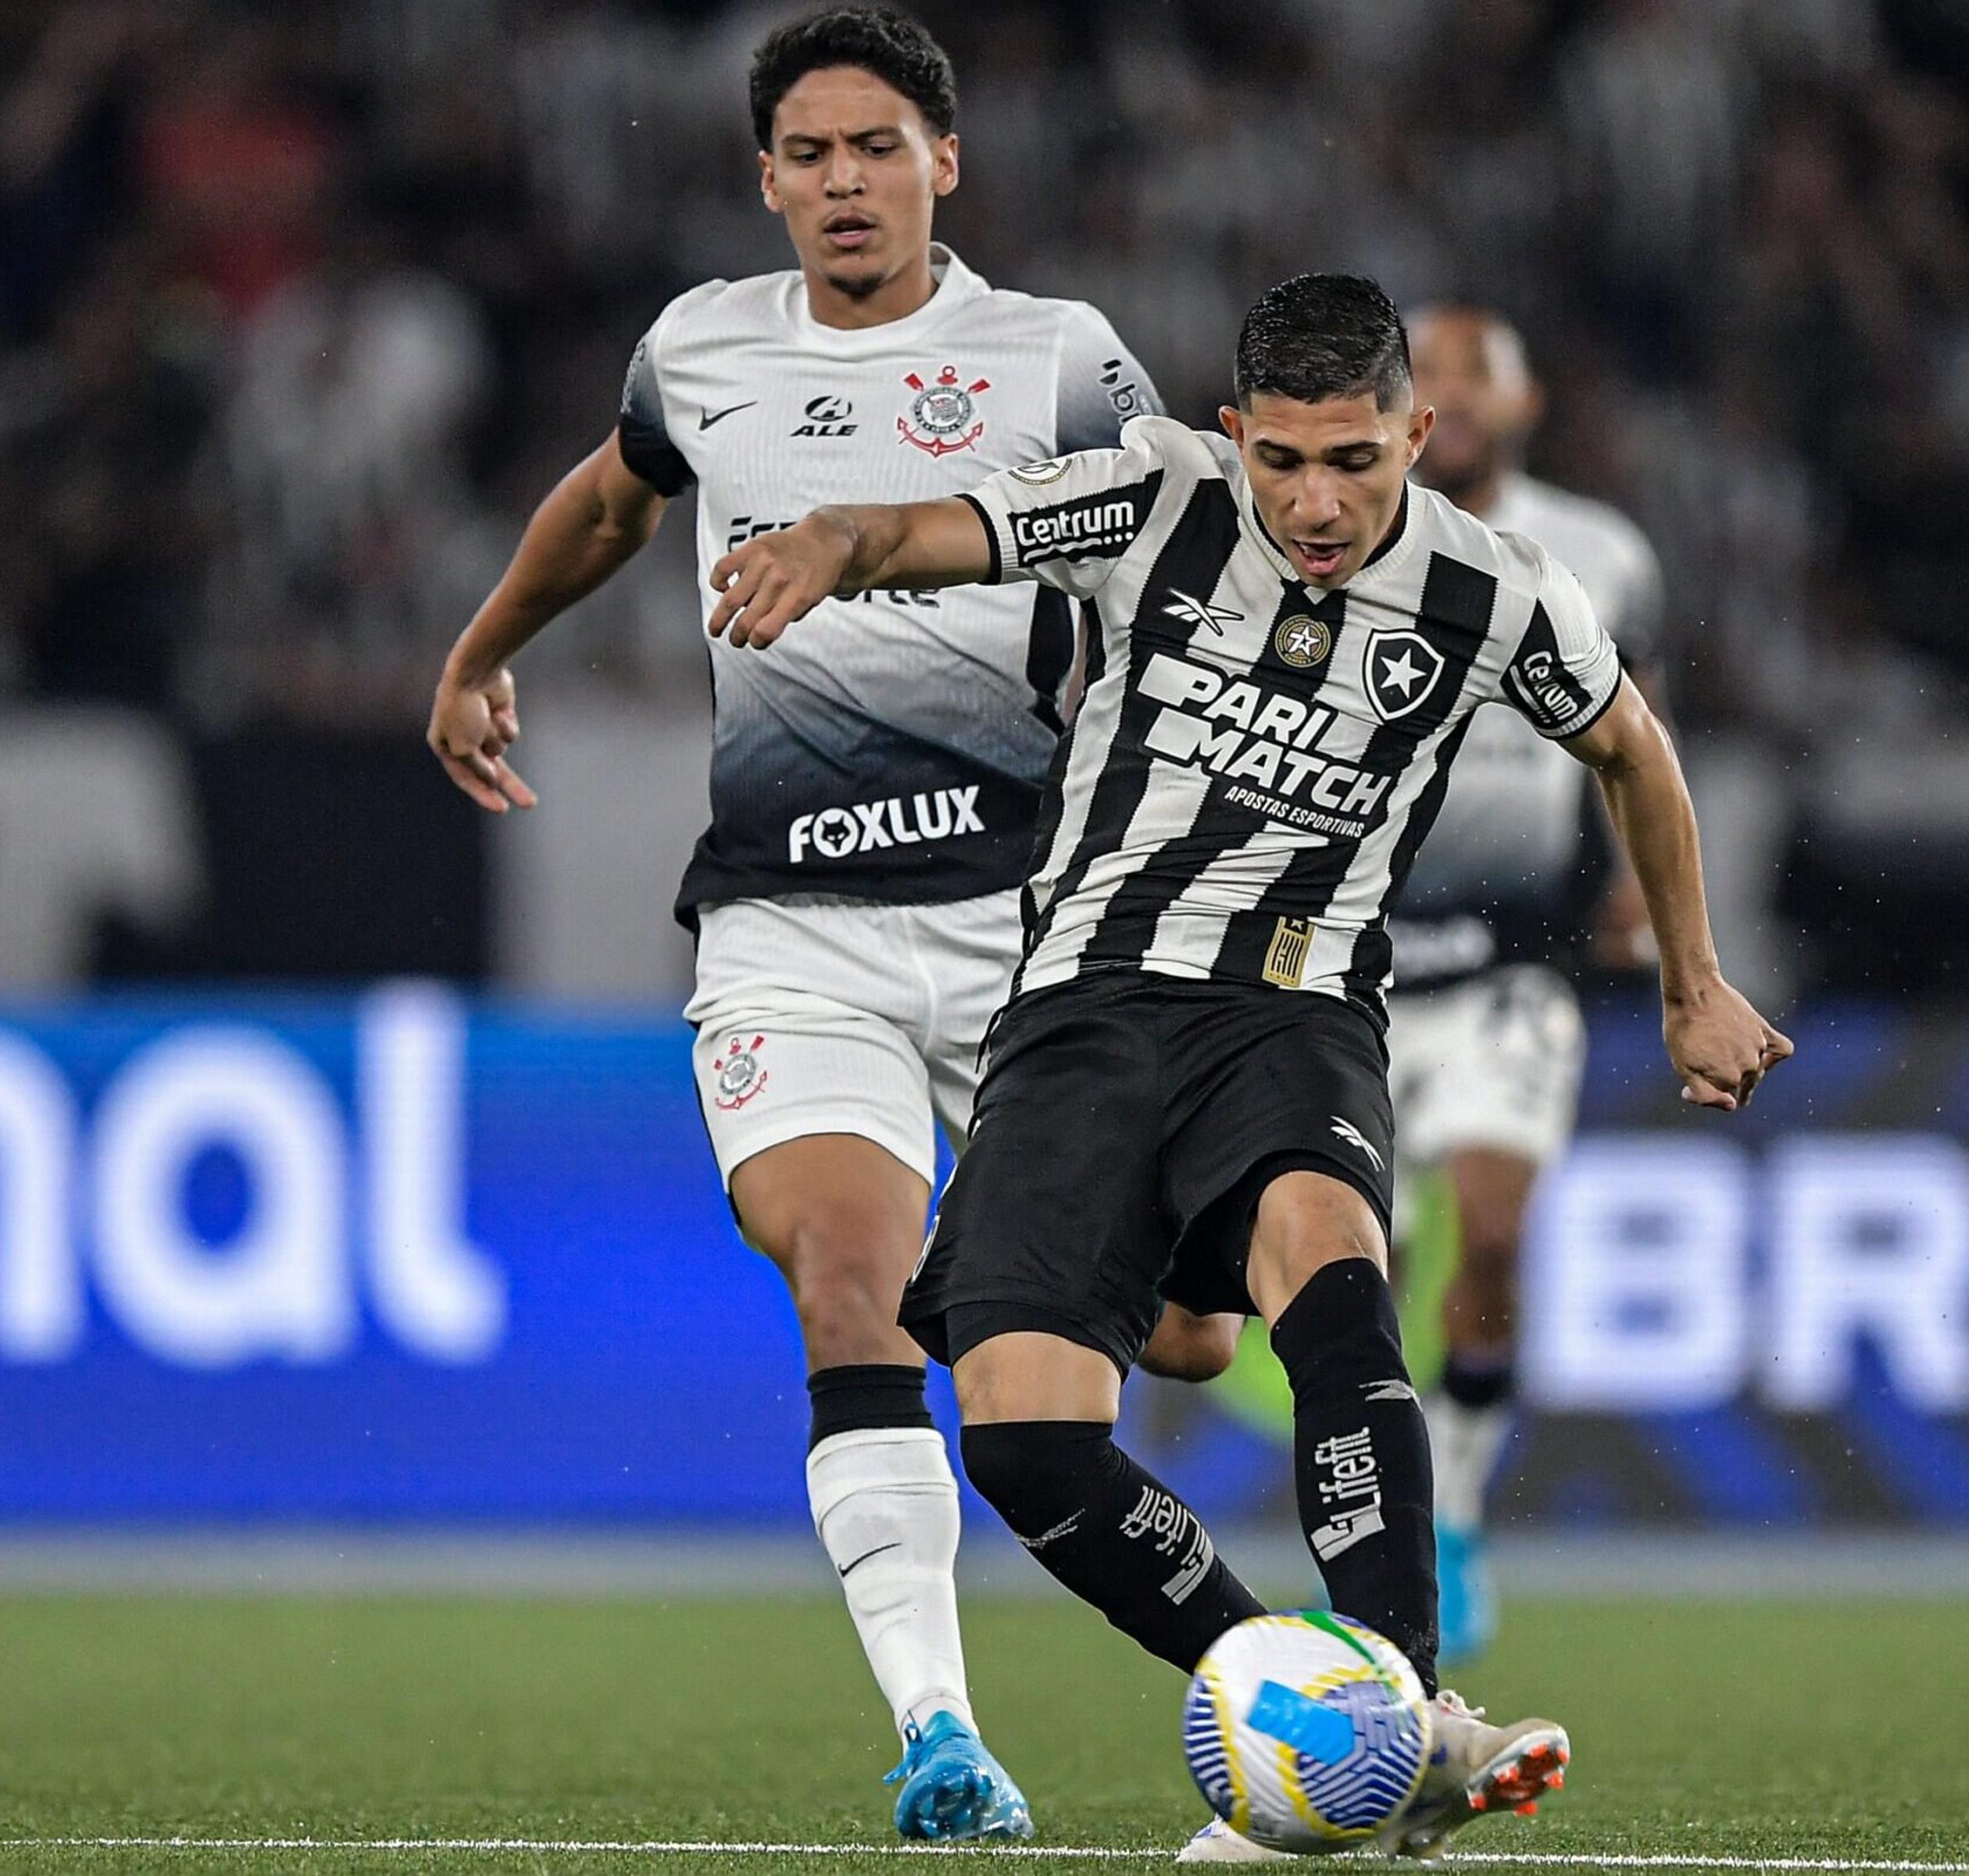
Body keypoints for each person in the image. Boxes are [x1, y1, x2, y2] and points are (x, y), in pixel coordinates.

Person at [704, 273, 1791, 1863]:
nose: (1317, 500)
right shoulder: (1154, 493)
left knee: (1337, 1285)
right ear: (1235, 435)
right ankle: (1299, 1698)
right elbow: (926, 528)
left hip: (1294, 1011)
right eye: (1283, 459)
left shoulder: (1498, 590)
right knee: (1024, 1438)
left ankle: (1406, 1714)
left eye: (1356, 459)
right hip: (1080, 1009)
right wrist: (828, 543)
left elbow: (1631, 744)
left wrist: (1695, 984)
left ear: (1418, 434)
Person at [425, 6, 1231, 1843]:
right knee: (847, 1281)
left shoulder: (1055, 361)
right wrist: (484, 651)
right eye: (813, 153)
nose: (847, 183)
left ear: (948, 162)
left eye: (882, 147)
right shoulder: (703, 348)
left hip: (1032, 931)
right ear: (766, 178)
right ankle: (941, 1733)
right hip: (797, 930)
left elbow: (1189, 543)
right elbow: (614, 497)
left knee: (1178, 1344)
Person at [1395, 305, 1669, 1664]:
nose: (1444, 393)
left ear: (1525, 403)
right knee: (1336, 1273)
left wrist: (1636, 888)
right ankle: (1381, 1515)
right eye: (1423, 372)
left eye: (1470, 373)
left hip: (1516, 956)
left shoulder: (1606, 554)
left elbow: (1638, 734)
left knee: (1494, 1229)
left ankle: (1447, 1505)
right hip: (1343, 956)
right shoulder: (1338, 532)